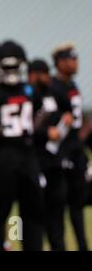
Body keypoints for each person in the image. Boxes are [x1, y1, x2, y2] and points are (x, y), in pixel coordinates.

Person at [0, 40, 44, 251]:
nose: (11, 71)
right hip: (5, 155)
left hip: (26, 154)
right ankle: (5, 246)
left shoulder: (29, 91)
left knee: (32, 208)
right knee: (3, 209)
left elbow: (39, 116)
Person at [28, 59, 73, 250]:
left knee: (57, 212)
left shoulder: (54, 93)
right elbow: (26, 129)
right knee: (34, 214)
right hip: (36, 162)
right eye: (44, 74)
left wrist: (67, 119)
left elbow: (68, 111)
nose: (48, 78)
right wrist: (45, 133)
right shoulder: (28, 96)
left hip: (55, 162)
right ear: (35, 75)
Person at [50, 43, 89, 251]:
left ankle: (83, 246)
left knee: (78, 205)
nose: (75, 63)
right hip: (60, 154)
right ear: (60, 63)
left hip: (76, 152)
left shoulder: (73, 85)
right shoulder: (54, 87)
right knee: (58, 206)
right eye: (71, 60)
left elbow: (77, 120)